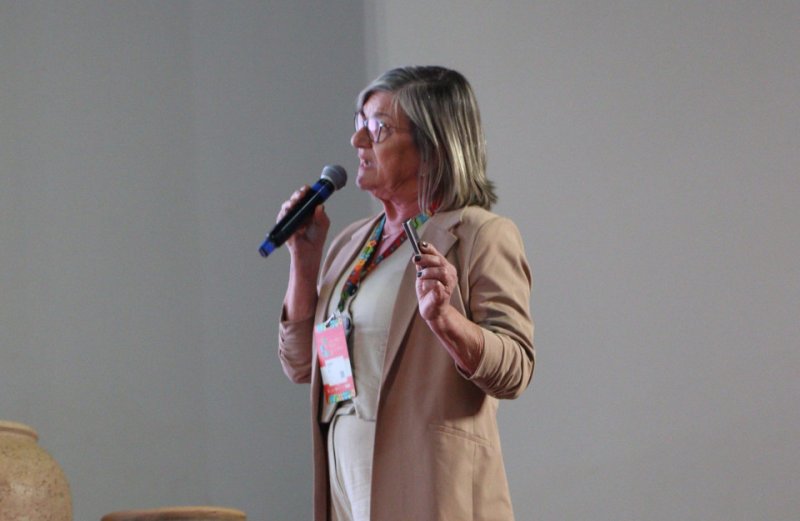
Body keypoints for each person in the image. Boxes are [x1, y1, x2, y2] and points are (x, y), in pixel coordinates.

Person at [277, 66, 535, 521]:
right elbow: (300, 365)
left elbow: (514, 369)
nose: (358, 141)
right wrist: (304, 260)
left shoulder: (480, 234)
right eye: (359, 124)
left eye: (378, 128)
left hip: (430, 488)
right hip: (345, 485)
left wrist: (447, 322)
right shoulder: (352, 242)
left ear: (432, 145)